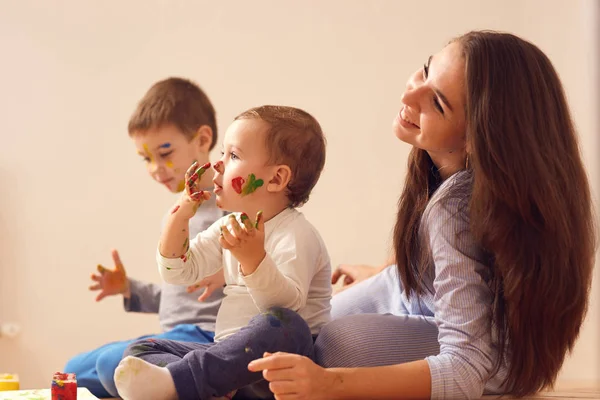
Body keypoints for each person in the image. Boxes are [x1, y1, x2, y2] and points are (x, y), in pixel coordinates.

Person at [248, 31, 596, 399]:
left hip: (482, 357)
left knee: (331, 345)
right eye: (426, 70)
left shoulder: (456, 207)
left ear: (476, 138)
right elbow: (474, 263)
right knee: (296, 320)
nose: (408, 95)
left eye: (438, 103)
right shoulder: (462, 178)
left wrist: (329, 383)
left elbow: (468, 364)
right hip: (416, 297)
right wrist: (395, 272)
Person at [113, 105, 332, 400]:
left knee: (287, 325)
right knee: (141, 351)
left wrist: (252, 260)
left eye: (234, 156)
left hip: (279, 373)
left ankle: (184, 384)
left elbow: (285, 307)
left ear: (276, 179)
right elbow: (176, 272)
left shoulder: (297, 235)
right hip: (228, 369)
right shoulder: (230, 225)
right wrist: (181, 214)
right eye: (222, 155)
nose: (218, 165)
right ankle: (192, 385)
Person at [64, 77, 227, 398]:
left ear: (202, 139)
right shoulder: (180, 213)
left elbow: (266, 272)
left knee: (115, 361)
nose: (156, 168)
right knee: (72, 371)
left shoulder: (229, 208)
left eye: (165, 152)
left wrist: (232, 274)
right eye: (146, 158)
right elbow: (182, 294)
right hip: (174, 336)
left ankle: (190, 382)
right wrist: (128, 289)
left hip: (208, 337)